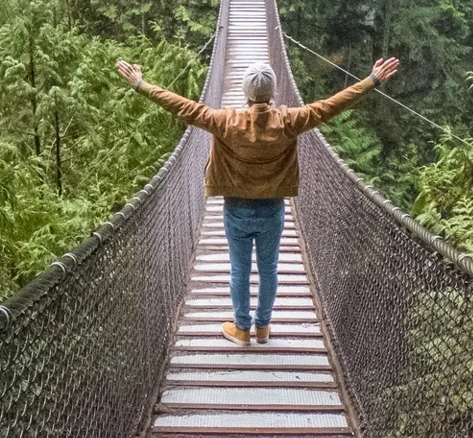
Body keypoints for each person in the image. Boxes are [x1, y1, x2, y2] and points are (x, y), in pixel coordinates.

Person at [115, 55, 402, 345]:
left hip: (236, 209)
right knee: (269, 269)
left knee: (239, 270)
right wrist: (372, 80)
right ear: (273, 92)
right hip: (272, 210)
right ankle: (262, 327)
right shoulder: (290, 121)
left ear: (245, 93)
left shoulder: (224, 121)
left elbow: (182, 107)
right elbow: (332, 106)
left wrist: (141, 84)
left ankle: (242, 329)